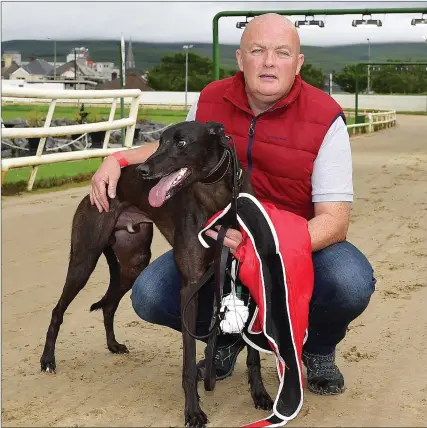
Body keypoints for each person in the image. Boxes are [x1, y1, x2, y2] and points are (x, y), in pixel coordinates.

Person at [90, 13, 376, 395]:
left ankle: (318, 348)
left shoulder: (325, 117)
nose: (269, 62)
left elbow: (334, 221)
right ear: (241, 59)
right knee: (150, 295)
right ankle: (225, 336)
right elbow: (174, 152)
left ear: (299, 62)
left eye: (282, 53)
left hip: (291, 239)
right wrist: (119, 158)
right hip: (217, 235)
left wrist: (264, 246)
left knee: (350, 280)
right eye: (258, 51)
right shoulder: (211, 98)